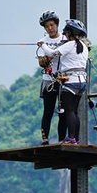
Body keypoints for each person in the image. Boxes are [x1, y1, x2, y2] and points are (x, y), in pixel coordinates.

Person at [52, 18, 90, 144]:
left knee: (69, 111)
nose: (65, 34)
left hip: (71, 81)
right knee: (74, 111)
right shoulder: (84, 46)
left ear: (70, 33)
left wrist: (43, 45)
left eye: (66, 32)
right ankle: (76, 138)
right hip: (82, 82)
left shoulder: (70, 44)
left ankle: (71, 137)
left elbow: (52, 53)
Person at [35, 11, 63, 144]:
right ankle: (45, 138)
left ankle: (62, 139)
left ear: (56, 25)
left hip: (63, 79)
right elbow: (41, 62)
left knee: (63, 111)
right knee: (48, 110)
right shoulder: (43, 42)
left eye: (51, 25)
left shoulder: (64, 39)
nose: (50, 28)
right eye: (47, 27)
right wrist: (45, 60)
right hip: (48, 79)